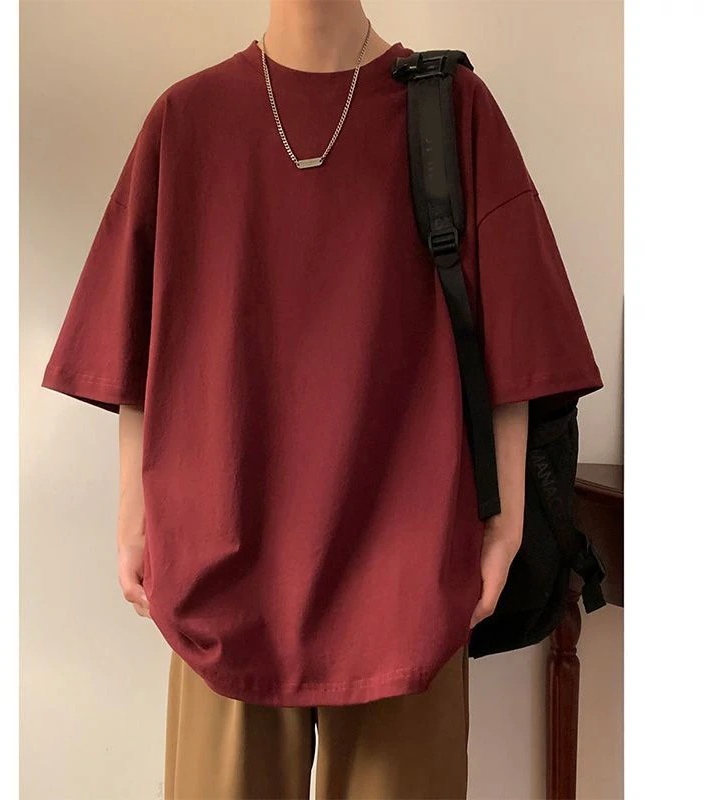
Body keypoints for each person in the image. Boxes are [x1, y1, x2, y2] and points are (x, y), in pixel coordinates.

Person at [41, 1, 602, 797]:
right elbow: (134, 337)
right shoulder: (187, 118)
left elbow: (516, 332)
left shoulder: (452, 108)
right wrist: (133, 513)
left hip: (409, 569)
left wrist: (503, 528)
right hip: (221, 565)